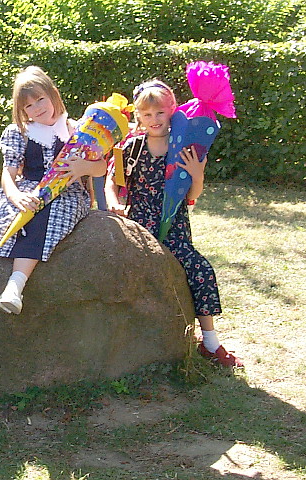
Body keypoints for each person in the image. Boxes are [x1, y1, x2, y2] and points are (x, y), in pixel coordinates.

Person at [0, 66, 105, 314]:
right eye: (29, 106)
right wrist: (14, 194)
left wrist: (83, 167)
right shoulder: (20, 133)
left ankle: (15, 285)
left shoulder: (76, 130)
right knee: (8, 212)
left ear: (53, 94)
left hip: (67, 194)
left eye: (40, 99)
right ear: (21, 110)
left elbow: (101, 167)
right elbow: (9, 172)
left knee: (43, 214)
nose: (37, 108)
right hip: (30, 186)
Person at [104, 79, 243, 368]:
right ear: (139, 117)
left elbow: (192, 195)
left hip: (173, 224)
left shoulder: (184, 144)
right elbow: (112, 182)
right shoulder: (131, 147)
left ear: (171, 111)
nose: (154, 120)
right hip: (139, 222)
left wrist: (197, 174)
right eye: (147, 114)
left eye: (160, 113)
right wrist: (114, 203)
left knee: (199, 268)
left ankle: (210, 341)